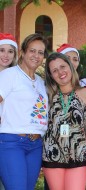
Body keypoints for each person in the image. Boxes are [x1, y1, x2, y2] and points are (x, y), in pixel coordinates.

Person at [42, 52, 86, 190]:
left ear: (70, 67)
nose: (60, 72)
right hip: (52, 155)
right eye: (54, 70)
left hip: (79, 154)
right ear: (51, 75)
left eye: (63, 66)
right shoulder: (47, 96)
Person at [0, 33, 49, 190]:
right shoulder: (9, 75)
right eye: (32, 51)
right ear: (23, 52)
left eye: (40, 52)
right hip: (12, 143)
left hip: (35, 145)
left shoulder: (41, 82)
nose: (36, 56)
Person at [0, 33, 18, 190]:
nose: (6, 55)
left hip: (10, 138)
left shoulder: (18, 77)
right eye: (2, 50)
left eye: (10, 51)